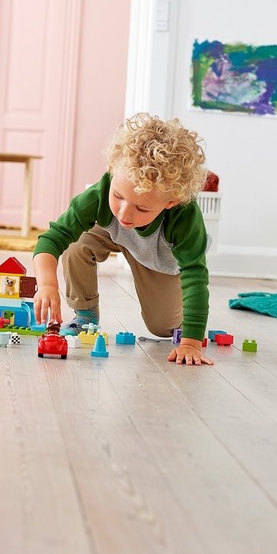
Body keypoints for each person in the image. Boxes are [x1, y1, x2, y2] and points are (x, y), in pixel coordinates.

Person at [32, 112, 214, 366]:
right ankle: (85, 314)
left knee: (162, 327)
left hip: (162, 259)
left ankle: (181, 319)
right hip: (115, 237)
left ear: (170, 202)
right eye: (118, 196)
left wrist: (192, 343)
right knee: (77, 243)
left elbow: (196, 277)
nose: (124, 213)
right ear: (111, 171)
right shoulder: (102, 192)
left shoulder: (185, 216)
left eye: (141, 208)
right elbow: (52, 238)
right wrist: (47, 284)